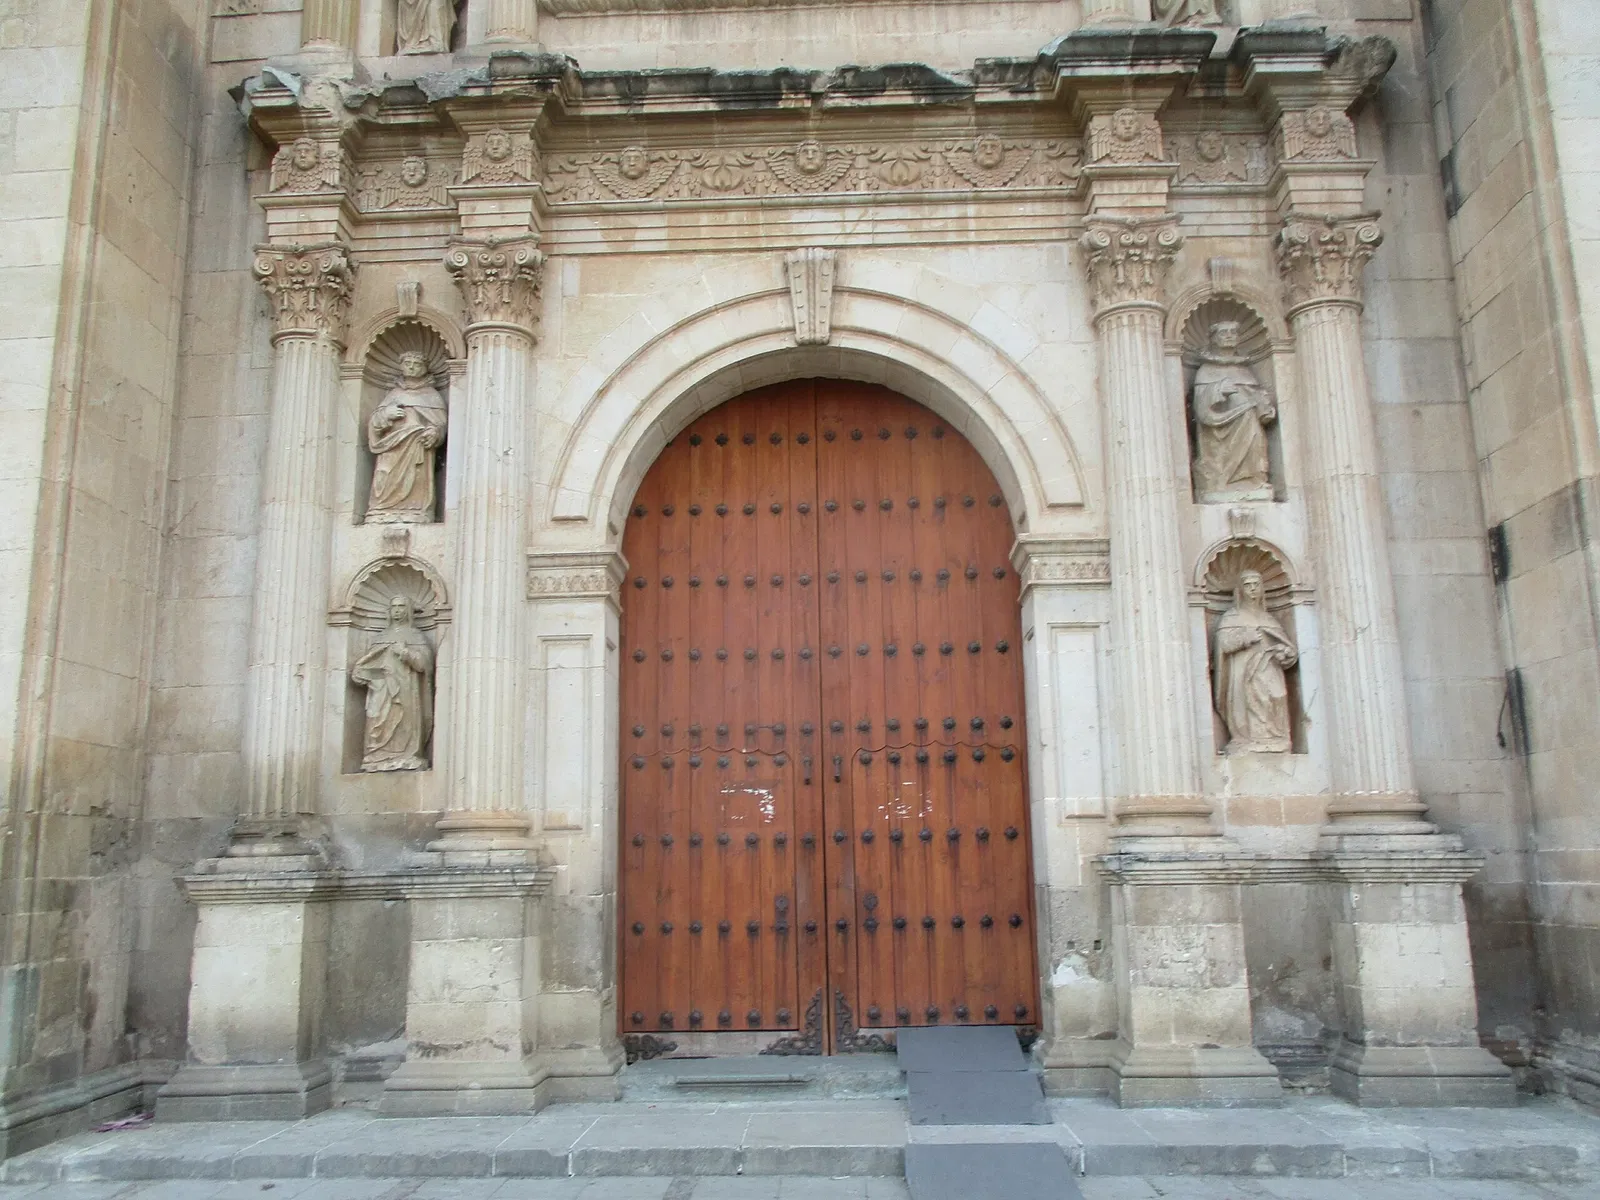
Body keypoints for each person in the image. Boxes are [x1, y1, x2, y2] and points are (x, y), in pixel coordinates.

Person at [1213, 571, 1298, 753]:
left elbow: (1285, 647)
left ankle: (1273, 736)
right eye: (1248, 585)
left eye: (1256, 584)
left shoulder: (1269, 619)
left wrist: (1285, 652)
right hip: (1242, 672)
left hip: (1269, 670)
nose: (1253, 589)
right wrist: (1246, 638)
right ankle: (1247, 738)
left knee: (1276, 696)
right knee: (1248, 703)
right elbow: (1223, 644)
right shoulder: (1231, 617)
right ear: (1240, 590)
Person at [1192, 320, 1276, 501]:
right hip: (1221, 429)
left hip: (1249, 423)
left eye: (1233, 332)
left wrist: (1264, 405)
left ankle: (1253, 477)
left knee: (1255, 443)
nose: (1229, 335)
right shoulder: (1206, 370)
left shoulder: (1244, 370)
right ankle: (1223, 479)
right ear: (1213, 339)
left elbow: (1257, 396)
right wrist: (1218, 389)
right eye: (1223, 333)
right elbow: (1200, 406)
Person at [352, 596, 434, 771]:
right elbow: (370, 663)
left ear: (409, 610)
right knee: (377, 720)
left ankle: (406, 754)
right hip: (381, 690)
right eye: (394, 607)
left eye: (402, 606)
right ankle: (377, 754)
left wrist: (405, 653)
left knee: (404, 721)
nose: (397, 610)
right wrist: (361, 672)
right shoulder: (381, 636)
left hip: (406, 688)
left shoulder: (415, 636)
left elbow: (425, 664)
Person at [367, 351, 446, 523]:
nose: (411, 367)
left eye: (416, 364)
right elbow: (374, 422)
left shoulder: (431, 395)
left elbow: (439, 423)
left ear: (425, 368)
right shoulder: (393, 394)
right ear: (401, 366)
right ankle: (381, 508)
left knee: (415, 478)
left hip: (416, 447)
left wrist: (434, 433)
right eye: (407, 363)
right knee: (384, 475)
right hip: (391, 447)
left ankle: (415, 508)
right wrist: (386, 414)